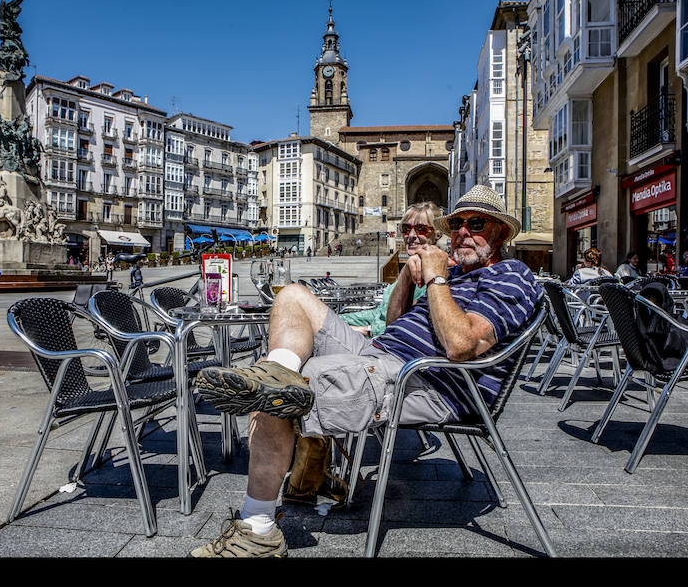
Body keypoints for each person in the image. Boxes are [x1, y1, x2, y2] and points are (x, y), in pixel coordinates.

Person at [190, 184, 541, 557]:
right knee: (291, 296)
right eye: (456, 224)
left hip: (424, 381)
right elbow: (393, 326)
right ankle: (279, 371)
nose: (462, 232)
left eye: (476, 223)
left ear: (501, 232)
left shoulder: (512, 275)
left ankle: (256, 530)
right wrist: (408, 275)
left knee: (277, 399)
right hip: (381, 353)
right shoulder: (455, 275)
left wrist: (437, 277)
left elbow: (461, 345)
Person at [340, 201, 441, 337]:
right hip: (374, 324)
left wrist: (365, 330)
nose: (411, 235)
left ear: (437, 234)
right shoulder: (411, 266)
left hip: (383, 340)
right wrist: (340, 320)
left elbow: (411, 323)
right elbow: (378, 313)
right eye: (405, 229)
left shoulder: (433, 273)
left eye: (421, 229)